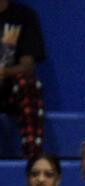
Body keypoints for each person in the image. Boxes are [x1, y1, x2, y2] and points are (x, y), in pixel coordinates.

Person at [0, 0, 45, 160]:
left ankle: (32, 158)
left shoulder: (23, 15)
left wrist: (4, 72)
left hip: (12, 91)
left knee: (28, 82)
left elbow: (28, 65)